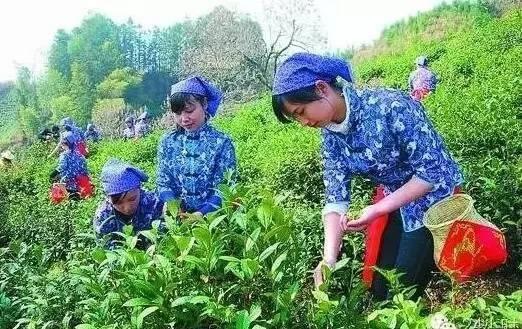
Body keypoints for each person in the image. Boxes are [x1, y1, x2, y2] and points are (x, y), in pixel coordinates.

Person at [271, 53, 463, 300]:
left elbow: (431, 173)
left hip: (435, 199)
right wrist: (329, 257)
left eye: (301, 111)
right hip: (396, 201)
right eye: (296, 118)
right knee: (382, 288)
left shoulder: (391, 106)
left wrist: (376, 210)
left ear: (321, 88)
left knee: (401, 292)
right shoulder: (331, 136)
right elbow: (335, 197)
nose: (304, 122)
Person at [157, 76, 237, 218]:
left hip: (215, 221)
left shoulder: (222, 142)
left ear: (204, 104)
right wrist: (172, 204)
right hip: (177, 220)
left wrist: (202, 213)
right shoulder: (167, 142)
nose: (184, 119)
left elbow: (225, 186)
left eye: (189, 111)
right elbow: (163, 181)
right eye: (178, 113)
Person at [93, 158, 164, 249]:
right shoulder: (103, 217)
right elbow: (107, 250)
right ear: (109, 198)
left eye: (132, 199)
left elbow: (163, 238)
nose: (127, 208)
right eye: (118, 203)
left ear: (139, 189)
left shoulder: (154, 204)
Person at [50, 131, 92, 199]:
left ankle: (68, 195)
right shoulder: (79, 154)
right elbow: (85, 168)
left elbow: (62, 167)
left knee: (56, 188)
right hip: (80, 181)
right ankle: (78, 194)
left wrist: (53, 174)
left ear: (64, 144)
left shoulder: (64, 155)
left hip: (68, 181)